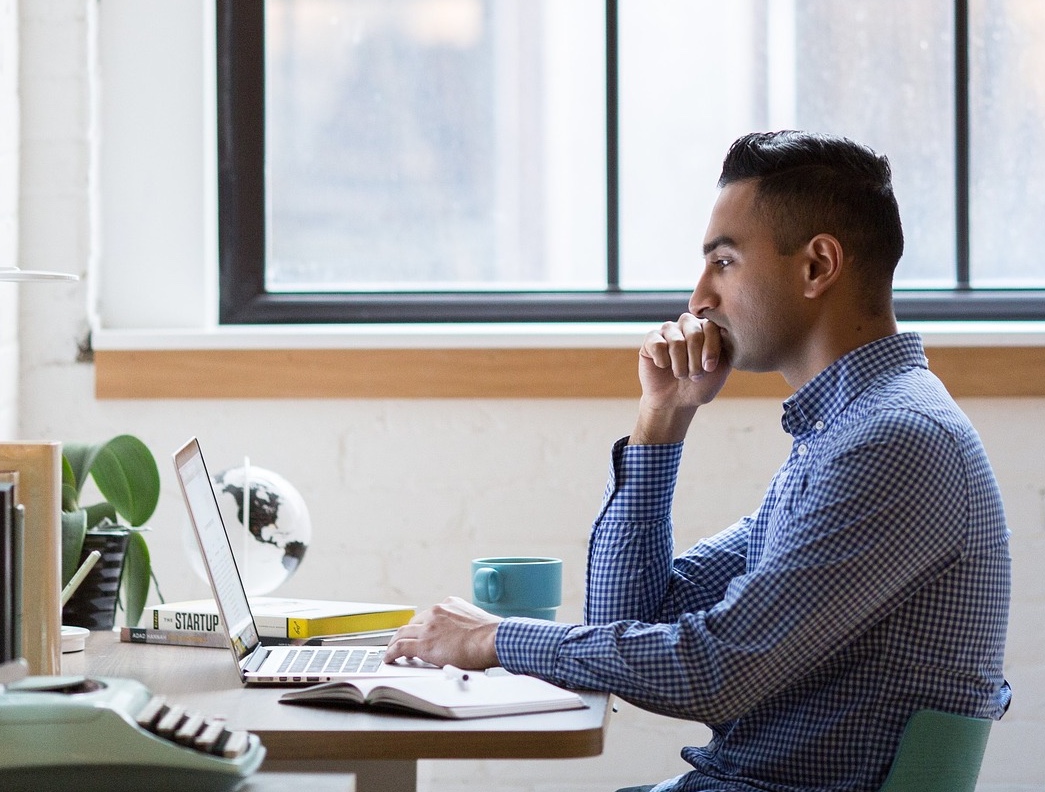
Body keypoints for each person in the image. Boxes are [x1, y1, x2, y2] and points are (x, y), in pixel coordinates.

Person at [386, 131, 1012, 792]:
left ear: (816, 267)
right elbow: (627, 621)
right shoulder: (841, 435)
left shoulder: (892, 443)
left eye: (724, 262)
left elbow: (715, 673)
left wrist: (493, 639)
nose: (698, 299)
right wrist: (663, 417)